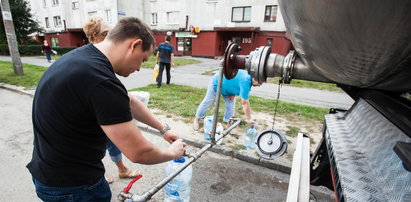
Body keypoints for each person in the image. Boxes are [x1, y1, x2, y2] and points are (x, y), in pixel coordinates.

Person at [27, 17, 186, 201]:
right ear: (134, 45)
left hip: (49, 172)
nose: (138, 68)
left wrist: (163, 129)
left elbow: (129, 101)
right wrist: (173, 153)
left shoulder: (84, 58)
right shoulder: (100, 81)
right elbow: (138, 152)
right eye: (142, 60)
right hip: (73, 186)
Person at [83, 16, 139, 184]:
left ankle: (121, 169)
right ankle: (98, 174)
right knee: (95, 141)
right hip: (89, 119)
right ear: (94, 36)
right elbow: (139, 152)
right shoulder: (92, 64)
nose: (111, 37)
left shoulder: (101, 58)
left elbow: (122, 95)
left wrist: (162, 128)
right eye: (106, 33)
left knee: (111, 139)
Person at [193, 69, 262, 130]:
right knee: (208, 102)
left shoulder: (249, 78)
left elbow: (236, 80)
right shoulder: (246, 81)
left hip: (228, 87)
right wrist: (249, 118)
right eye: (259, 83)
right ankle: (196, 119)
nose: (259, 85)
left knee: (230, 105)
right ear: (254, 79)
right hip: (217, 82)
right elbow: (245, 103)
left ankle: (228, 121)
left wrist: (233, 92)